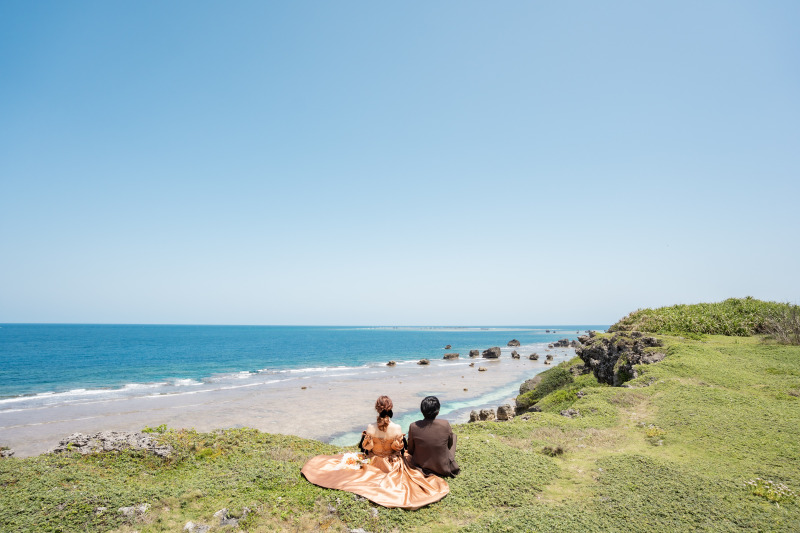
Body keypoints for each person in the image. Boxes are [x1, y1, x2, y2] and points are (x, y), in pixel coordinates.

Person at [301, 395, 450, 510]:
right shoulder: (397, 428)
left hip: (372, 461)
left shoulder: (370, 428)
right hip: (391, 465)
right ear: (391, 408)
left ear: (377, 409)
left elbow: (365, 449)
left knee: (343, 464)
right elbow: (402, 450)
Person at [407, 396, 460, 477]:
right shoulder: (445, 424)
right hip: (442, 468)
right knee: (453, 436)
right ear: (438, 412)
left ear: (421, 411)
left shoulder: (413, 426)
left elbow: (410, 450)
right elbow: (449, 444)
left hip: (420, 467)